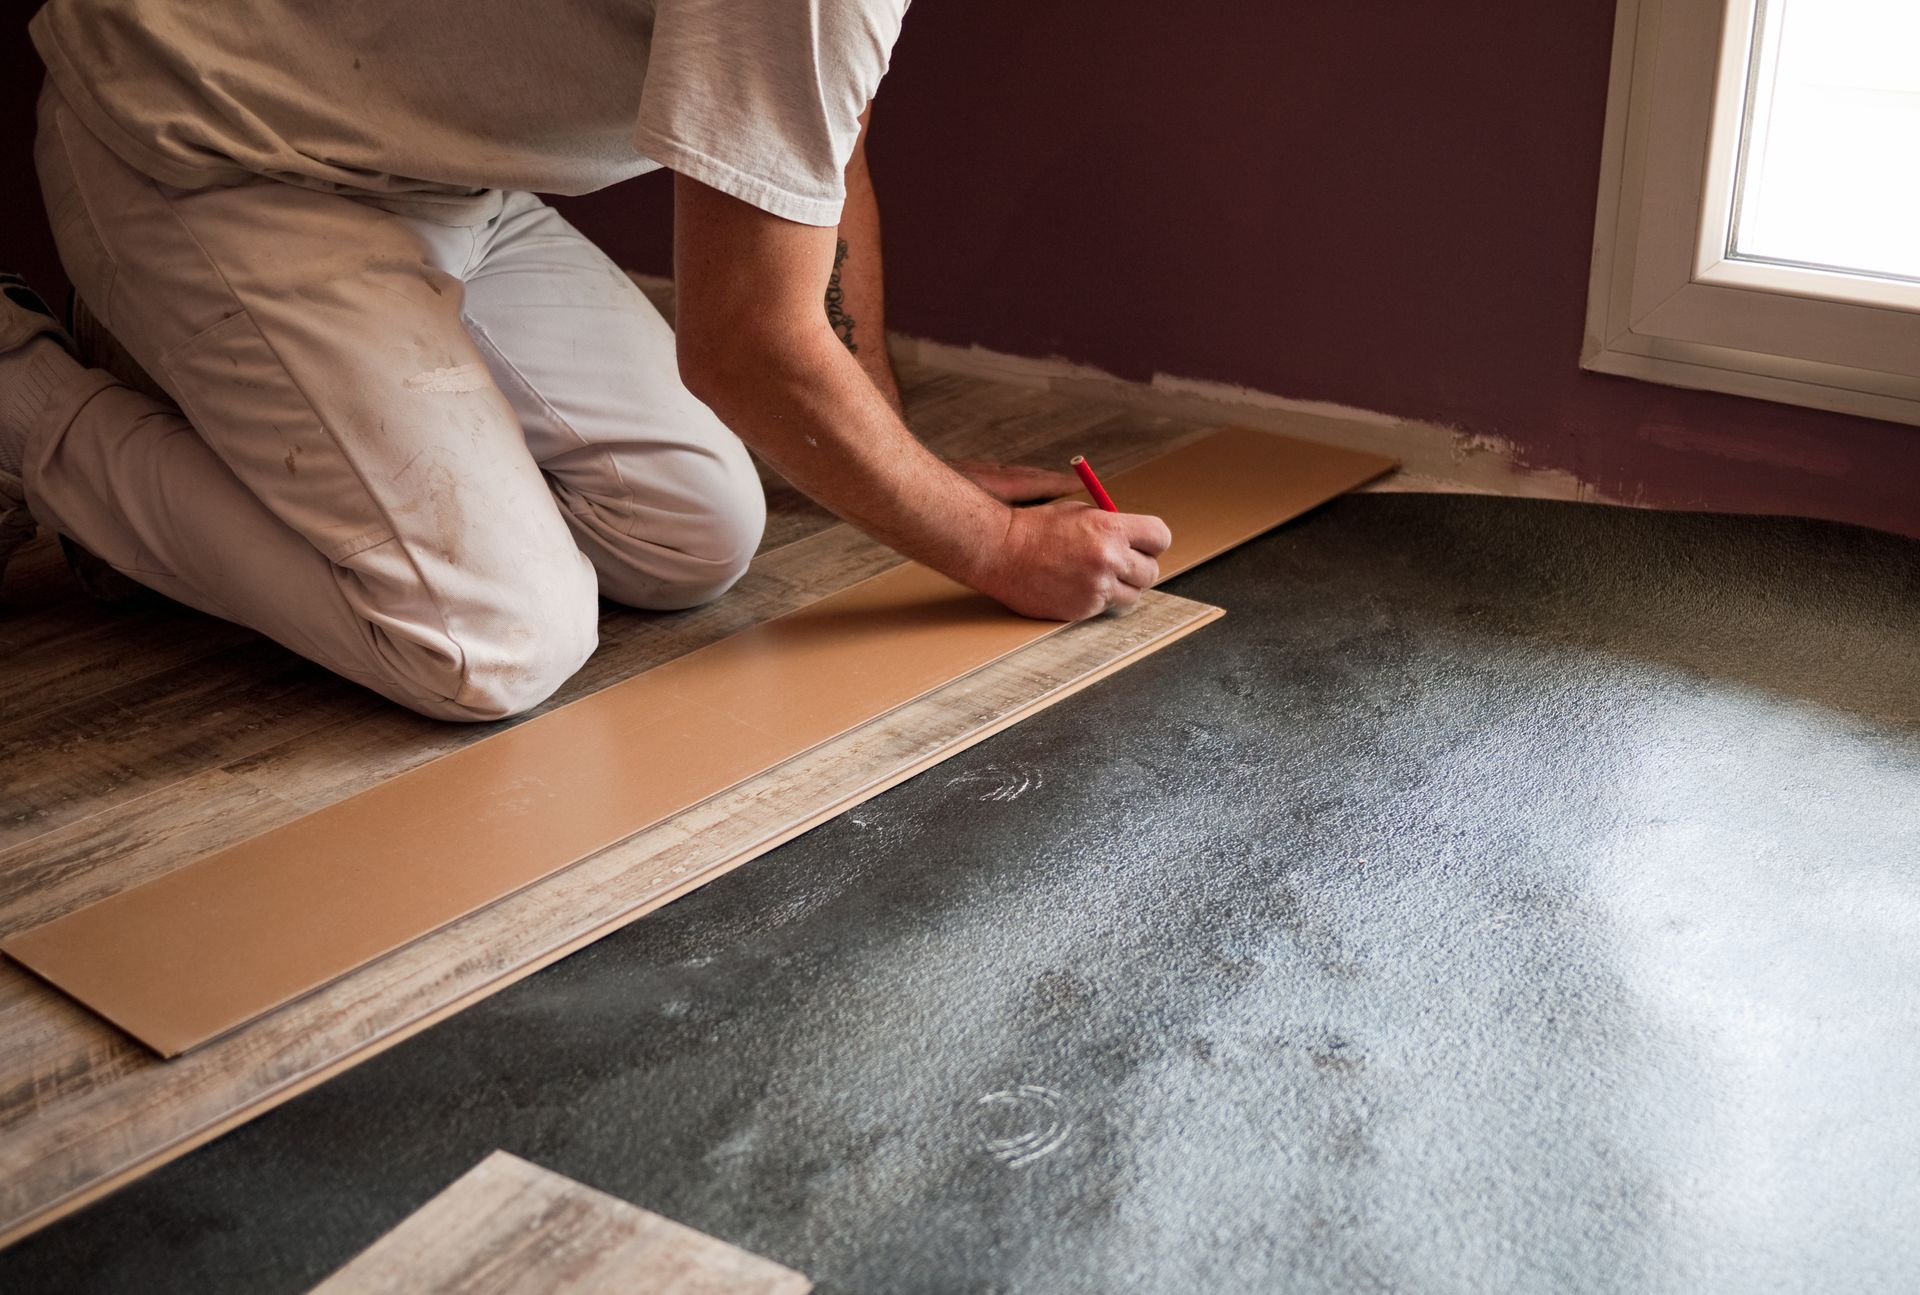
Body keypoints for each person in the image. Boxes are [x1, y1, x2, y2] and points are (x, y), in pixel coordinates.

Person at [0, 0, 1172, 721]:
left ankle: (202, 393)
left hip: (439, 173)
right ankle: (26, 392)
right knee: (492, 642)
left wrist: (901, 456)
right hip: (210, 139)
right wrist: (1002, 550)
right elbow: (745, 344)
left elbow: (817, 152)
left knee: (698, 528)